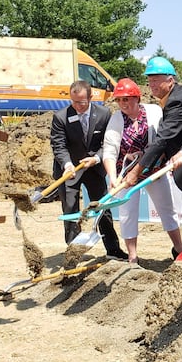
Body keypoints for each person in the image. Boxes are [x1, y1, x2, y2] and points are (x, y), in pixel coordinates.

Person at [123, 57, 182, 251]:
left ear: (170, 80)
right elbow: (169, 138)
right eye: (149, 80)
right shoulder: (171, 99)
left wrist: (136, 172)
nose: (151, 84)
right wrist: (149, 156)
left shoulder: (179, 101)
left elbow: (163, 139)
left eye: (156, 80)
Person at [102, 78, 182, 264]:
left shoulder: (154, 112)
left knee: (167, 209)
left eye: (127, 99)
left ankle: (180, 249)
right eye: (119, 100)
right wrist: (113, 177)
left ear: (137, 98)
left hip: (153, 170)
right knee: (127, 213)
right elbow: (109, 150)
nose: (123, 104)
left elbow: (165, 138)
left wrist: (159, 155)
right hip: (126, 175)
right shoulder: (116, 119)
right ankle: (133, 256)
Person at [51, 80, 127, 260]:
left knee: (102, 207)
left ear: (91, 97)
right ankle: (74, 252)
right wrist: (67, 164)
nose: (77, 106)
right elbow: (59, 145)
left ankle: (113, 249)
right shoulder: (61, 117)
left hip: (94, 169)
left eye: (82, 102)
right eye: (74, 102)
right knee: (70, 210)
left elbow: (108, 143)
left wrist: (96, 158)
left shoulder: (103, 114)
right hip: (70, 170)